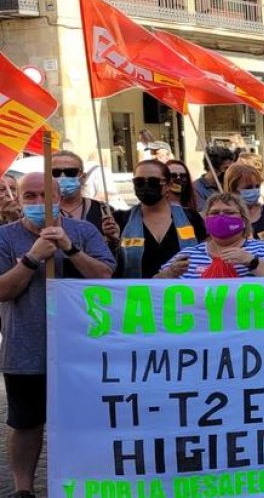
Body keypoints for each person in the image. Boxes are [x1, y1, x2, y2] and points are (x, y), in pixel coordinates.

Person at [0, 172, 115, 496]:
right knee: (25, 423)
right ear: (19, 200)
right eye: (30, 196)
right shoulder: (5, 237)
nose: (39, 202)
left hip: (81, 348)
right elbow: (3, 290)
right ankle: (24, 488)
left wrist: (70, 248)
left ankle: (86, 483)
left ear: (59, 197)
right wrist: (32, 258)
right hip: (26, 347)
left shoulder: (83, 231)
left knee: (84, 421)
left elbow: (105, 277)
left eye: (45, 195)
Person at [109, 160, 207, 279]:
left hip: (183, 289)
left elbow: (206, 255)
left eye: (153, 182)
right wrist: (112, 241)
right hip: (136, 290)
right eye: (139, 182)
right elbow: (110, 267)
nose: (146, 187)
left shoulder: (191, 218)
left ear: (169, 185)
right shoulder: (120, 220)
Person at [158, 194, 264, 279]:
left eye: (229, 212)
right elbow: (152, 287)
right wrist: (169, 273)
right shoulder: (188, 255)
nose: (221, 217)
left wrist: (253, 262)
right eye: (214, 213)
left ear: (243, 220)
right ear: (206, 221)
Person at [51, 151, 112, 248]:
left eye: (70, 172)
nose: (63, 177)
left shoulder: (104, 210)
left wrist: (114, 239)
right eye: (55, 173)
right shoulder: (40, 212)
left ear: (83, 176)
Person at [223, 164, 264, 247]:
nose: (254, 190)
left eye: (257, 186)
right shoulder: (223, 217)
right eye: (248, 187)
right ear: (232, 190)